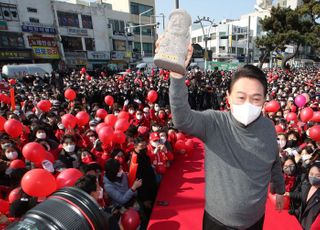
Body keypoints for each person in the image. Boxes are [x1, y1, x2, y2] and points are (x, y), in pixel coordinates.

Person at [157, 40, 286, 229]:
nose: (248, 104)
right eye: (241, 97)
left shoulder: (268, 127)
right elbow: (182, 119)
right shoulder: (214, 122)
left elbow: (274, 161)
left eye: (256, 98)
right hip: (217, 222)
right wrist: (177, 75)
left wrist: (280, 189)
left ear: (265, 100)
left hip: (256, 221)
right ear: (228, 97)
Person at [286, 162, 320, 229]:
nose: (313, 177)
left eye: (318, 175)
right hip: (300, 224)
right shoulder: (308, 187)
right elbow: (303, 200)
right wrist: (295, 211)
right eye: (311, 174)